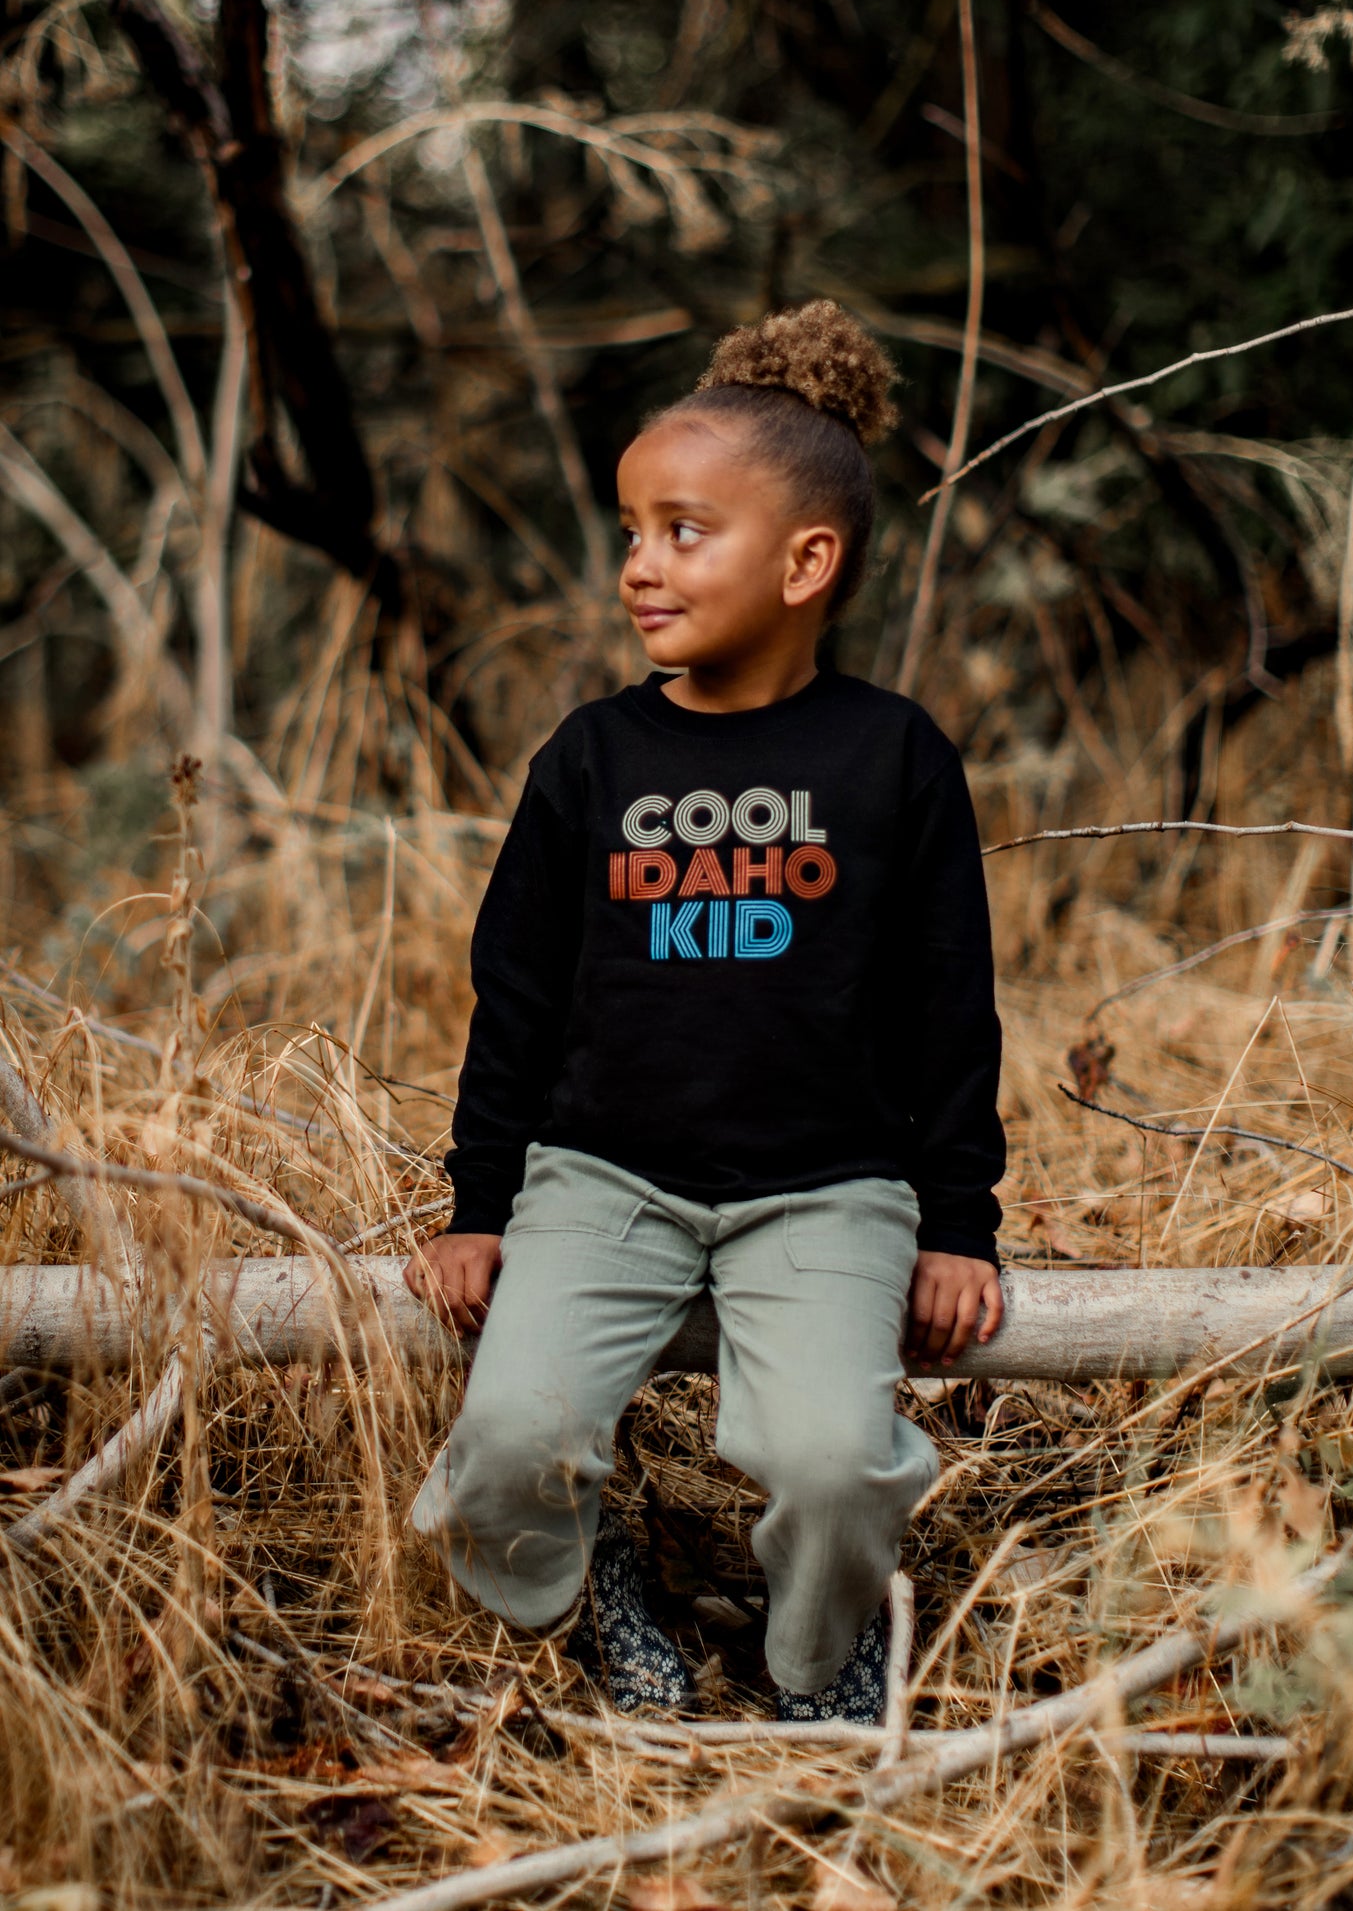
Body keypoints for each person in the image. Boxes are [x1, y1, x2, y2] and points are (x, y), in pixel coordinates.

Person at [406, 300, 1006, 1722]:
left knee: (831, 1464)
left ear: (807, 562)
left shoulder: (893, 757)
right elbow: (517, 996)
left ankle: (819, 1654)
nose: (639, 565)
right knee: (508, 1441)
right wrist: (479, 1203)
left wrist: (957, 1226)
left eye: (683, 532)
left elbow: (948, 1009)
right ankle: (583, 1583)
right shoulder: (592, 758)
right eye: (631, 532)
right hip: (602, 1182)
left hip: (827, 1192)